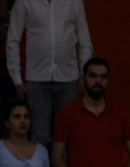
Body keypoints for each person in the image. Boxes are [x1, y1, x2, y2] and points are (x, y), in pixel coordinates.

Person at [51, 57, 130, 167]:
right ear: (83, 78)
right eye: (93, 76)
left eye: (103, 77)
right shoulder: (67, 113)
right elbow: (56, 158)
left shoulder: (120, 114)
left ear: (108, 80)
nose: (98, 81)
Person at [5, 0, 92, 146]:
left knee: (66, 135)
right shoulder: (24, 2)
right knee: (39, 135)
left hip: (69, 78)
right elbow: (12, 41)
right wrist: (17, 79)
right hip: (36, 79)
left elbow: (85, 41)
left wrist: (84, 73)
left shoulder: (74, 2)